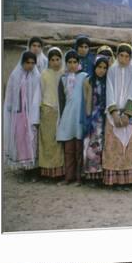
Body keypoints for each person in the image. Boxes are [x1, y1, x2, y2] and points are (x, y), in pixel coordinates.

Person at [102, 43, 132, 189]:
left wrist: (127, 114)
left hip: (129, 113)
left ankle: (128, 180)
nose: (124, 59)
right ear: (117, 56)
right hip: (113, 113)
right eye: (121, 56)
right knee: (114, 146)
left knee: (128, 147)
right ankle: (115, 180)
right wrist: (114, 113)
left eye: (127, 56)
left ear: (130, 57)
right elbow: (109, 91)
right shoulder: (111, 70)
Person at [3, 51, 41, 183]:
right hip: (19, 114)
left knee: (32, 141)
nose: (30, 65)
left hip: (32, 115)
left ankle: (34, 171)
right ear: (22, 62)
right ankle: (25, 170)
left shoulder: (37, 77)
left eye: (32, 63)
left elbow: (37, 98)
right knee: (21, 141)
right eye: (27, 63)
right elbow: (10, 95)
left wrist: (34, 115)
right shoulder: (15, 75)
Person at [56, 50, 89, 186]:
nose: (72, 65)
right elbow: (62, 101)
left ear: (79, 63)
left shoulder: (85, 77)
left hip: (79, 118)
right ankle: (68, 177)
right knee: (68, 150)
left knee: (79, 150)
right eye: (69, 62)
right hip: (67, 118)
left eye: (75, 62)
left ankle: (79, 178)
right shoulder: (63, 79)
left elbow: (87, 98)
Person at [38, 47, 65, 179]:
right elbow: (41, 92)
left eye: (57, 59)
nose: (55, 62)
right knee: (47, 142)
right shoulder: (44, 74)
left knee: (58, 143)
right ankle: (47, 172)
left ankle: (59, 172)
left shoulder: (64, 73)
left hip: (61, 111)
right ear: (48, 61)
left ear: (61, 59)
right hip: (48, 111)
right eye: (52, 60)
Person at [82, 55, 110, 183]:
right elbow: (87, 100)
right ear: (94, 67)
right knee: (92, 146)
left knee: (103, 145)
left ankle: (101, 175)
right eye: (99, 67)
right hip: (93, 119)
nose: (102, 70)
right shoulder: (88, 81)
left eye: (105, 68)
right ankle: (92, 175)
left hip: (105, 117)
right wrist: (87, 117)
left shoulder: (108, 81)